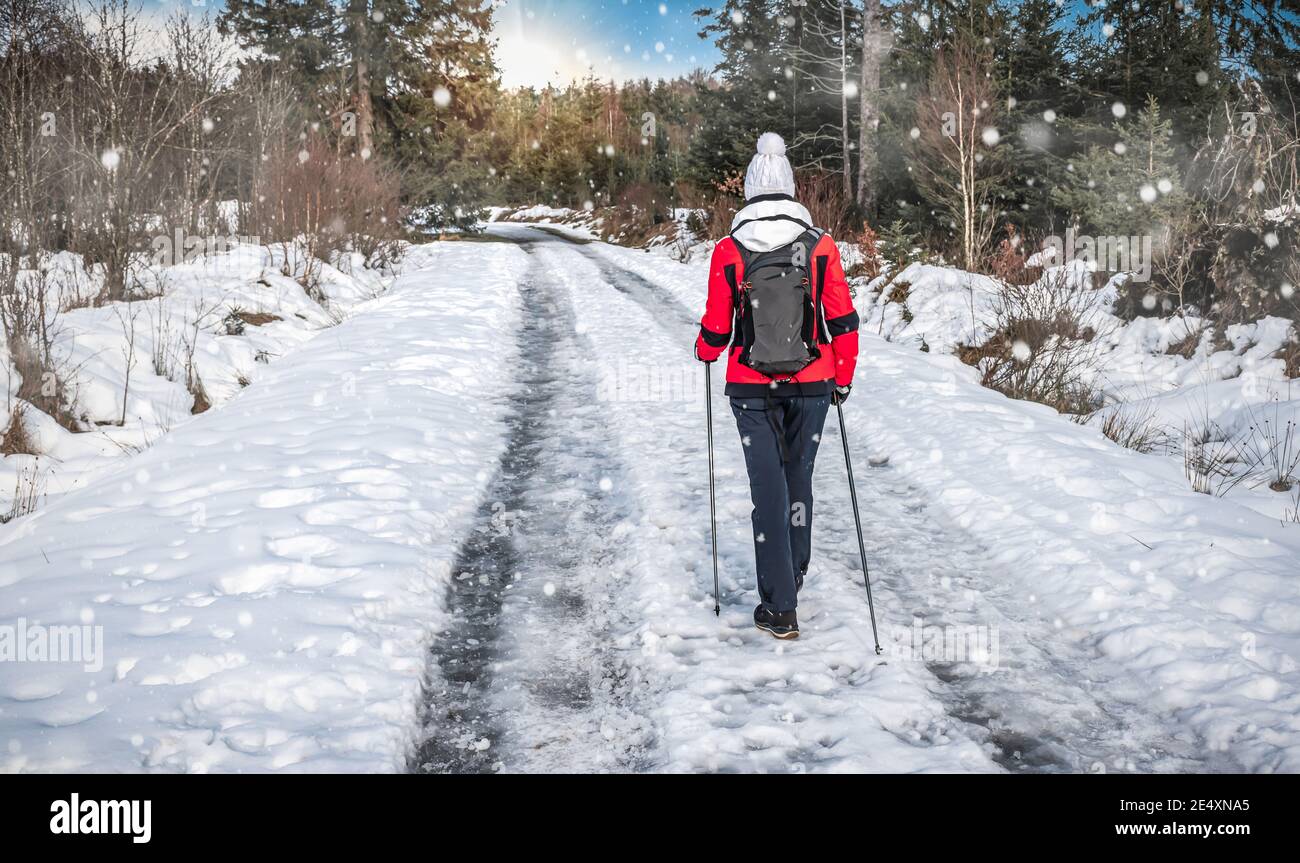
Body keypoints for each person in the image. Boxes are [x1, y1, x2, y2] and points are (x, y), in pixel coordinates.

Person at [693, 132, 860, 640]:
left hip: (750, 385)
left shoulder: (729, 249)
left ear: (748, 191)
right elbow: (844, 321)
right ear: (790, 190)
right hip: (813, 383)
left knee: (767, 488)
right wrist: (843, 379)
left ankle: (779, 604)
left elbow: (718, 328)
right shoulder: (820, 245)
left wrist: (704, 350)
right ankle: (796, 572)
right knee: (798, 479)